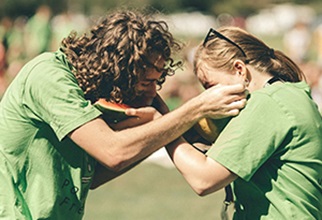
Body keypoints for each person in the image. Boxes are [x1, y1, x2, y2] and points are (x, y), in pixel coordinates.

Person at [0, 11, 246, 219]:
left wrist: (161, 125)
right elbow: (112, 152)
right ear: (117, 71)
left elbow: (92, 175)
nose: (153, 92)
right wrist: (196, 108)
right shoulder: (48, 77)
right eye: (146, 82)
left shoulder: (89, 92)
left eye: (157, 81)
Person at [166, 26, 322, 219]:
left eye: (210, 86)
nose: (208, 96)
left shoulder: (268, 103)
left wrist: (163, 123)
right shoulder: (289, 94)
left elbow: (203, 179)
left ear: (240, 69)